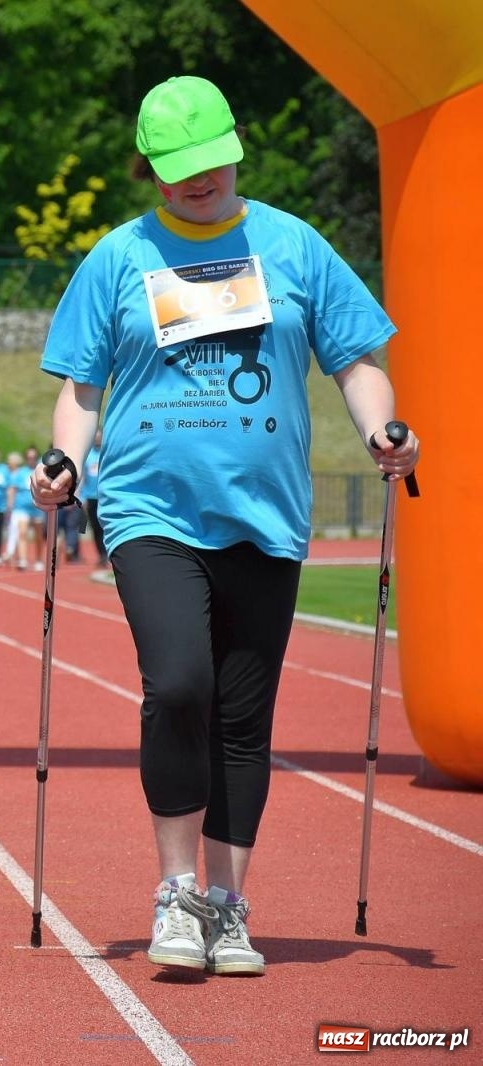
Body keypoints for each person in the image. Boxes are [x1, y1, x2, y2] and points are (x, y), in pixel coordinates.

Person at [30, 75, 418, 978]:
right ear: (150, 170)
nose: (196, 181)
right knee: (178, 684)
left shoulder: (296, 245)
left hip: (266, 515)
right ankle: (176, 892)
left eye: (209, 162)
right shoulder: (118, 258)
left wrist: (380, 431)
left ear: (236, 150)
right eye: (176, 168)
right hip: (148, 507)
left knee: (244, 719)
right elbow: (81, 389)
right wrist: (67, 461)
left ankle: (229, 905)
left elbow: (356, 361)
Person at [78, 428, 107, 566]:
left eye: (99, 437)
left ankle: (108, 552)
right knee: (95, 527)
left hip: (105, 496)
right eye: (95, 437)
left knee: (106, 527)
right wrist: (81, 495)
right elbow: (83, 476)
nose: (97, 439)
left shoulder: (107, 453)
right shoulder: (89, 456)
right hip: (90, 497)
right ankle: (101, 554)